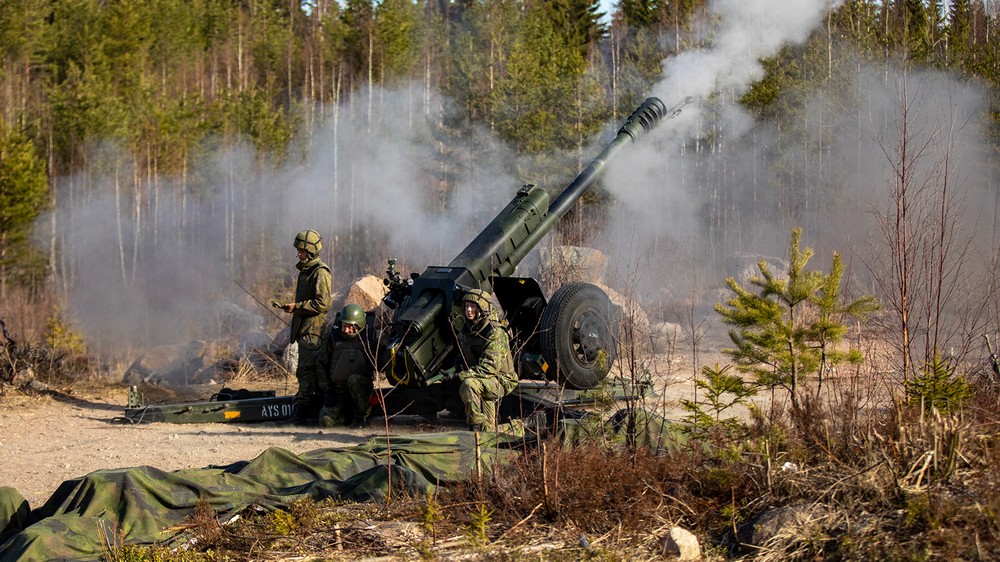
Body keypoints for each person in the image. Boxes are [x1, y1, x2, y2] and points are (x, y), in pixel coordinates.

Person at [277, 229, 332, 424]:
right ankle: (309, 411)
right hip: (305, 327)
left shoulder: (320, 272)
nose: (298, 253)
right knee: (308, 370)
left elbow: (323, 304)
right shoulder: (306, 270)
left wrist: (297, 307)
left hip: (313, 330)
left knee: (306, 369)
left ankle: (300, 414)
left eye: (301, 250)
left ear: (310, 251)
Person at [450, 288, 518, 432]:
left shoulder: (495, 332)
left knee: (469, 385)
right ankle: (508, 431)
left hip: (501, 380)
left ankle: (474, 428)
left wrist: (460, 375)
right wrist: (453, 369)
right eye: (467, 306)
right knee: (489, 431)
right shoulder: (468, 330)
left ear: (482, 308)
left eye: (473, 306)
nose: (469, 310)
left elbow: (489, 368)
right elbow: (462, 355)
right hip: (485, 380)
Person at [317, 303, 377, 428]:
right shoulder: (332, 338)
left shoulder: (370, 339)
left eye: (350, 327)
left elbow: (381, 363)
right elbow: (321, 364)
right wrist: (327, 390)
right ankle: (347, 416)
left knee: (354, 379)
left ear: (359, 325)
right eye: (344, 326)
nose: (345, 330)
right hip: (338, 392)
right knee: (326, 422)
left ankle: (362, 417)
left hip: (361, 389)